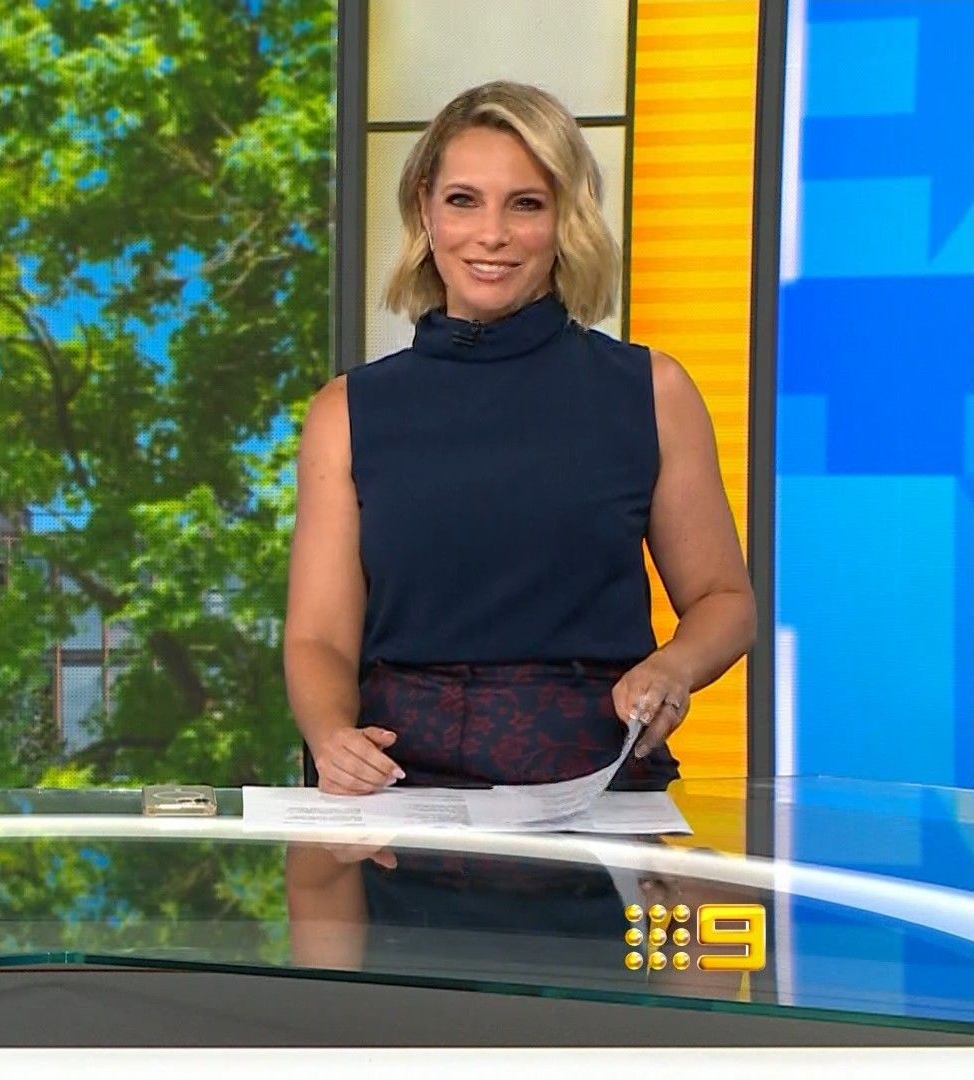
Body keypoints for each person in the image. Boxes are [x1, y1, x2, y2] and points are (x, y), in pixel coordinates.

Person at [284, 81, 754, 795]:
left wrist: (673, 667)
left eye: (526, 204)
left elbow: (725, 600)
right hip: (398, 792)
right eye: (463, 200)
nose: (492, 234)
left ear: (566, 217)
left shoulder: (653, 391)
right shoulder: (345, 411)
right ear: (425, 211)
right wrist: (330, 738)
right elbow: (318, 638)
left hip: (592, 788)